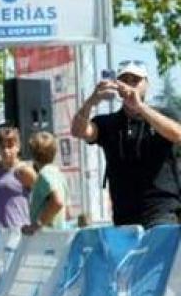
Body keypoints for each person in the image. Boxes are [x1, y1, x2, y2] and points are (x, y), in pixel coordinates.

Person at [72, 61, 181, 227]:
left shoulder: (164, 115)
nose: (130, 85)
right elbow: (79, 131)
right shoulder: (108, 123)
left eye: (135, 80)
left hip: (161, 212)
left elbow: (177, 134)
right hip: (124, 217)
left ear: (146, 83)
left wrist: (140, 108)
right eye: (125, 80)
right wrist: (91, 102)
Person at [0, 125, 34, 229]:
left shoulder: (24, 170)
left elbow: (39, 198)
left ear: (18, 147)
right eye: (2, 147)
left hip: (19, 231)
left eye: (10, 146)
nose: (6, 151)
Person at [24, 131, 67, 232]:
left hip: (46, 235)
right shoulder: (59, 174)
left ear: (33, 155)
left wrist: (37, 225)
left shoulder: (45, 174)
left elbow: (57, 202)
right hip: (58, 233)